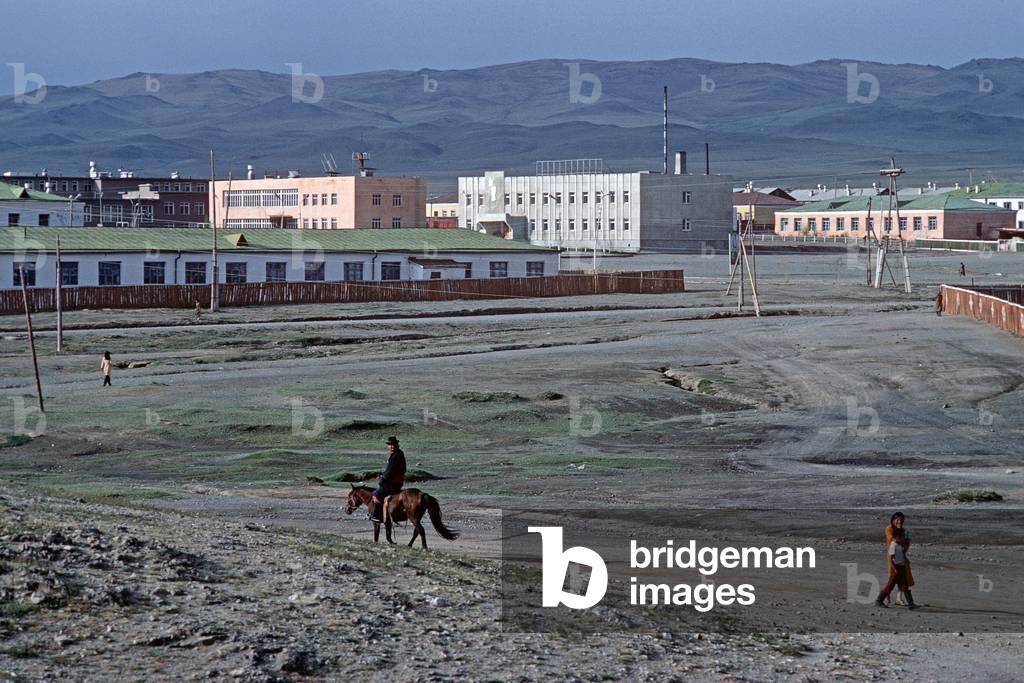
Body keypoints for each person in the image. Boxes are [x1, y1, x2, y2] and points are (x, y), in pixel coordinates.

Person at [874, 511, 917, 609]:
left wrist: (904, 544)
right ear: (893, 520)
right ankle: (880, 600)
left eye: (901, 520)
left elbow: (905, 545)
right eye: (897, 520)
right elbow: (891, 545)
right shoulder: (891, 534)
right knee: (892, 583)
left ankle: (910, 603)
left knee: (904, 583)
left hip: (901, 562)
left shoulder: (902, 533)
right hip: (895, 563)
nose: (900, 522)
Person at [368, 436, 406, 523]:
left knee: (376, 494)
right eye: (390, 445)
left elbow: (391, 470)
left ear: (397, 444)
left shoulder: (396, 455)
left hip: (394, 482)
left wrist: (383, 479)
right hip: (396, 481)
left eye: (393, 444)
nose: (391, 446)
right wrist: (384, 475)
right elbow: (390, 470)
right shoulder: (398, 453)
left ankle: (377, 516)